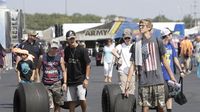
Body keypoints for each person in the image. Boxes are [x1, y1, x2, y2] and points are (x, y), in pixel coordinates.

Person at [125, 19, 176, 112]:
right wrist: (127, 82)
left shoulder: (157, 41)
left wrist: (172, 77)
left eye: (142, 26)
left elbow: (164, 61)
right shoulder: (136, 44)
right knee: (145, 108)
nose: (140, 28)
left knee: (161, 107)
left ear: (149, 27)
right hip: (144, 81)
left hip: (158, 80)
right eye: (139, 26)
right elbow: (133, 65)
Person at [64, 30, 91, 112]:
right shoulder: (67, 50)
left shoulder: (82, 50)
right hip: (70, 80)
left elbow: (88, 64)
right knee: (71, 101)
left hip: (80, 79)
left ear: (75, 38)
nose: (72, 40)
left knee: (82, 99)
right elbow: (66, 65)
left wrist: (86, 79)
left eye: (73, 38)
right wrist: (64, 81)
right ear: (67, 40)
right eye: (70, 39)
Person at [37, 42, 67, 112]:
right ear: (49, 47)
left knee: (58, 104)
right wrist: (38, 79)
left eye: (56, 48)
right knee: (49, 105)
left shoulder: (60, 58)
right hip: (46, 84)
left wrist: (65, 83)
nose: (54, 50)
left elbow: (64, 71)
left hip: (57, 83)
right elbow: (37, 68)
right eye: (53, 48)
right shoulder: (42, 57)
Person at [160, 28, 184, 112]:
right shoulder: (159, 46)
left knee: (170, 95)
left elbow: (175, 59)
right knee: (161, 96)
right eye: (170, 34)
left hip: (169, 75)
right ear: (166, 35)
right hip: (160, 75)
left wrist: (180, 70)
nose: (171, 36)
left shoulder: (171, 45)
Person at [112, 28, 135, 95]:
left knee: (131, 90)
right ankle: (123, 104)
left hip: (132, 71)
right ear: (123, 38)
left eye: (129, 38)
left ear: (131, 37)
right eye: (125, 38)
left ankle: (130, 104)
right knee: (123, 89)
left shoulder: (133, 46)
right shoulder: (121, 46)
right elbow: (113, 51)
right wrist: (119, 57)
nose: (127, 39)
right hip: (122, 70)